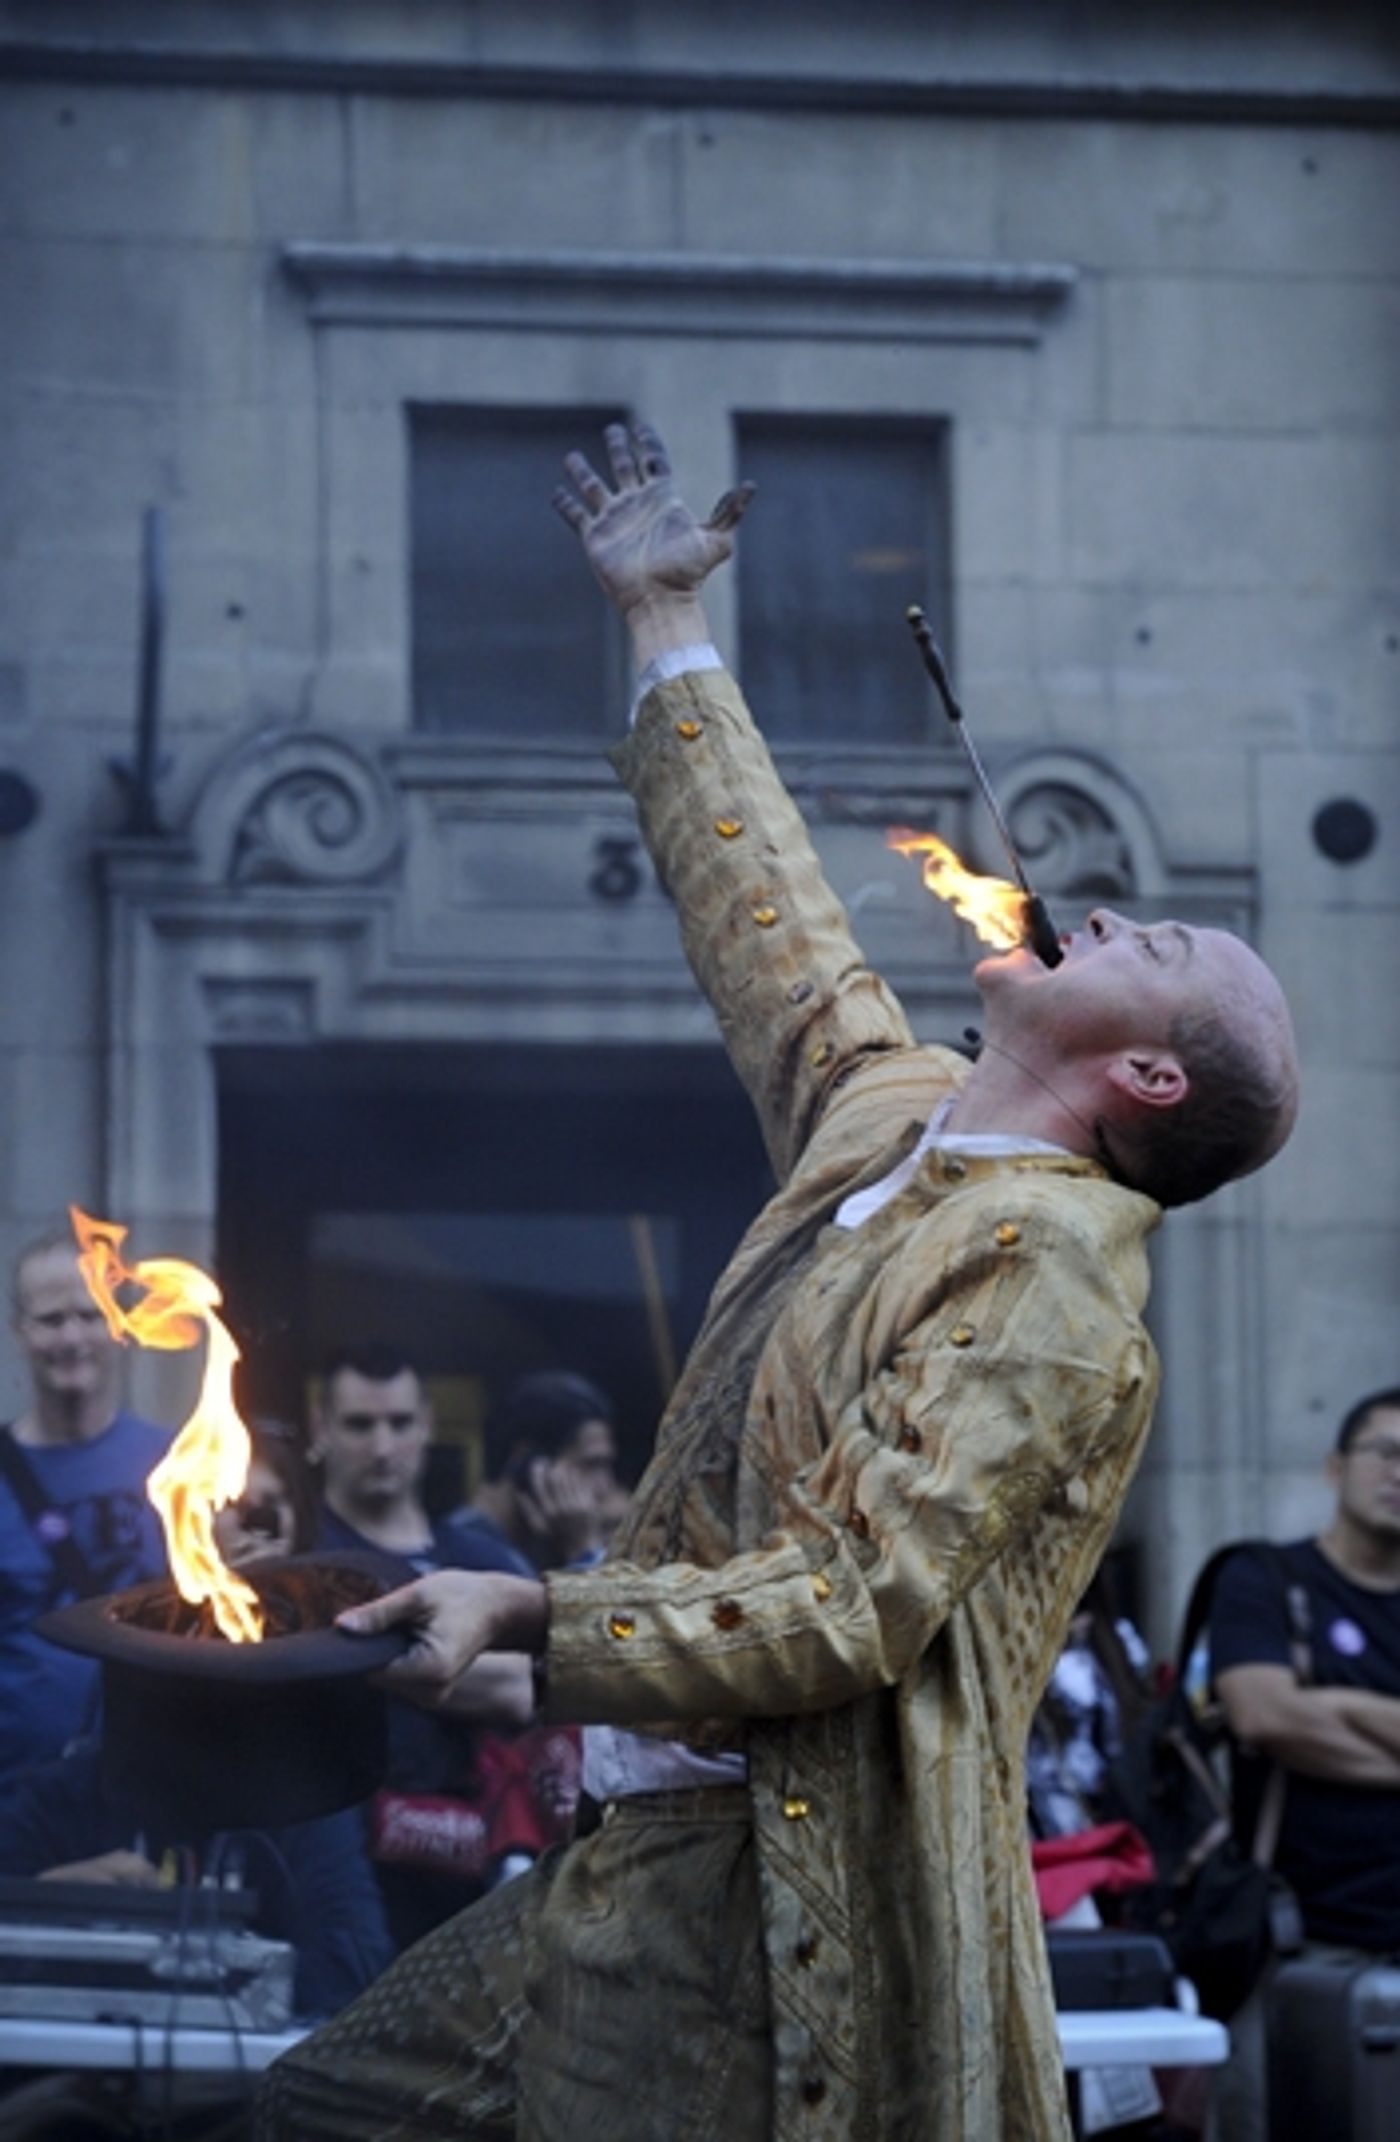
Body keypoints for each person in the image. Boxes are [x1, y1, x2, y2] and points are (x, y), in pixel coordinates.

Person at [260, 422, 1300, 2141]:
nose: (1105, 917)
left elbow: (852, 1602)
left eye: (1158, 948)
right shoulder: (895, 1115)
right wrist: (668, 626)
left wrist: (534, 1611)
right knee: (311, 2112)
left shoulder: (1053, 1285)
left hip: (759, 1896)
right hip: (627, 1858)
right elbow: (778, 926)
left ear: (1154, 1083)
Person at [1205, 1386, 1400, 2140]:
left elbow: (1303, 1715)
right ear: (1335, 1466)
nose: (1398, 1474)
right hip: (1295, 1944)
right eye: (1385, 1452)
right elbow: (1266, 1712)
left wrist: (1338, 1706)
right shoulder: (1264, 1581)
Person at [309, 1342, 547, 1951]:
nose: (382, 1446)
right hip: (329, 1864)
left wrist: (351, 1646)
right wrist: (445, 1658)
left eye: (399, 1423)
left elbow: (521, 1687)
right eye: (360, 1424)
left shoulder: (482, 1564)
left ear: (428, 1426)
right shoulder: (301, 1555)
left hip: (464, 1866)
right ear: (322, 1428)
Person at [0, 1233, 170, 1780]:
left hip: (153, 1787)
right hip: (18, 1806)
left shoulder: (175, 1464)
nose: (71, 1337)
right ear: (19, 1329)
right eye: (51, 1320)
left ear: (118, 1327)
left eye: (88, 1315)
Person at [456, 1369, 627, 1575]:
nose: (605, 1485)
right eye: (591, 1465)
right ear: (529, 1465)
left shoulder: (524, 1549)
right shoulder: (474, 1557)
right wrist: (584, 1548)